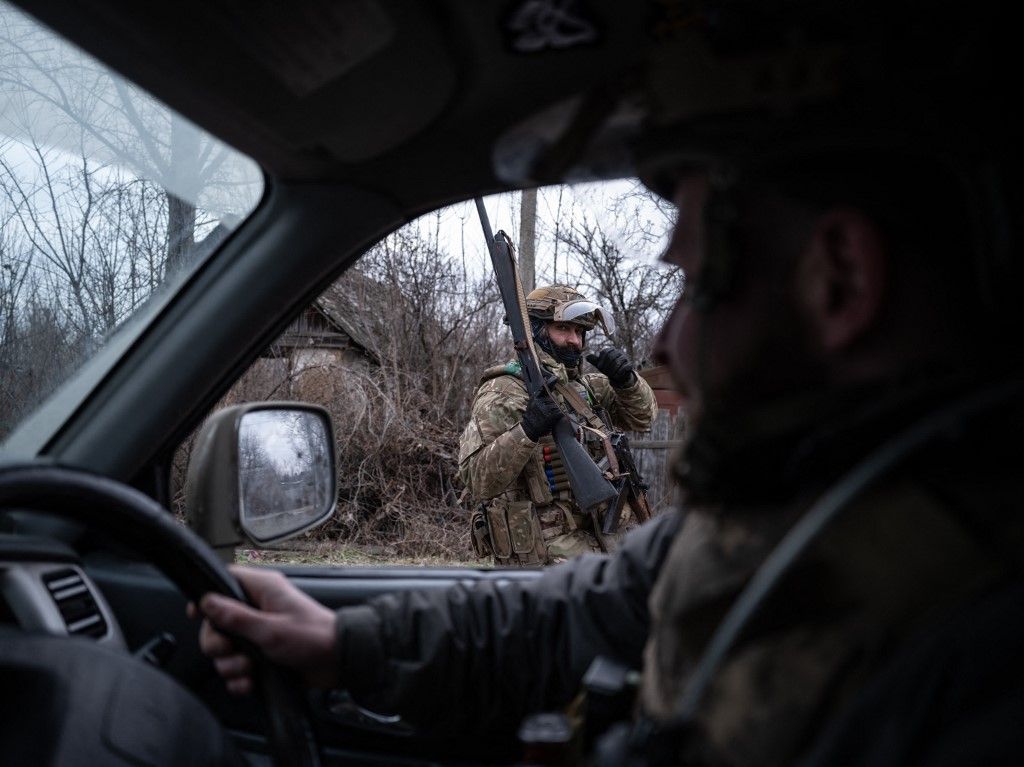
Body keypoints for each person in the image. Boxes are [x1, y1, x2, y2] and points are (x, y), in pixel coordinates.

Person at [195, 5, 1024, 764]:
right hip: (541, 543)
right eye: (571, 328)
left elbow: (630, 423)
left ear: (840, 279)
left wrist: (614, 377)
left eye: (697, 285)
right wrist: (350, 641)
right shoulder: (774, 515)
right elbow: (528, 564)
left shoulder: (966, 655)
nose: (668, 340)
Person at [459, 284, 658, 564]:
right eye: (563, 329)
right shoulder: (504, 391)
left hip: (604, 544)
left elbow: (644, 418)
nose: (574, 341)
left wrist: (627, 383)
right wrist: (527, 430)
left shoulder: (586, 388)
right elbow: (476, 478)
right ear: (537, 332)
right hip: (546, 557)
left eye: (579, 332)